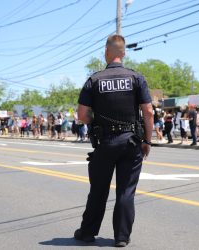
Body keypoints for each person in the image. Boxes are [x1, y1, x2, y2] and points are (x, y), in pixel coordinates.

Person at [74, 34, 153, 247]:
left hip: (105, 142)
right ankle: (121, 237)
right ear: (124, 53)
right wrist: (148, 140)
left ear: (106, 53)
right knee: (126, 191)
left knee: (98, 190)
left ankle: (88, 233)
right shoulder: (137, 78)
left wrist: (95, 119)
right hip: (131, 142)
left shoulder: (94, 80)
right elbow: (148, 112)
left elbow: (82, 116)